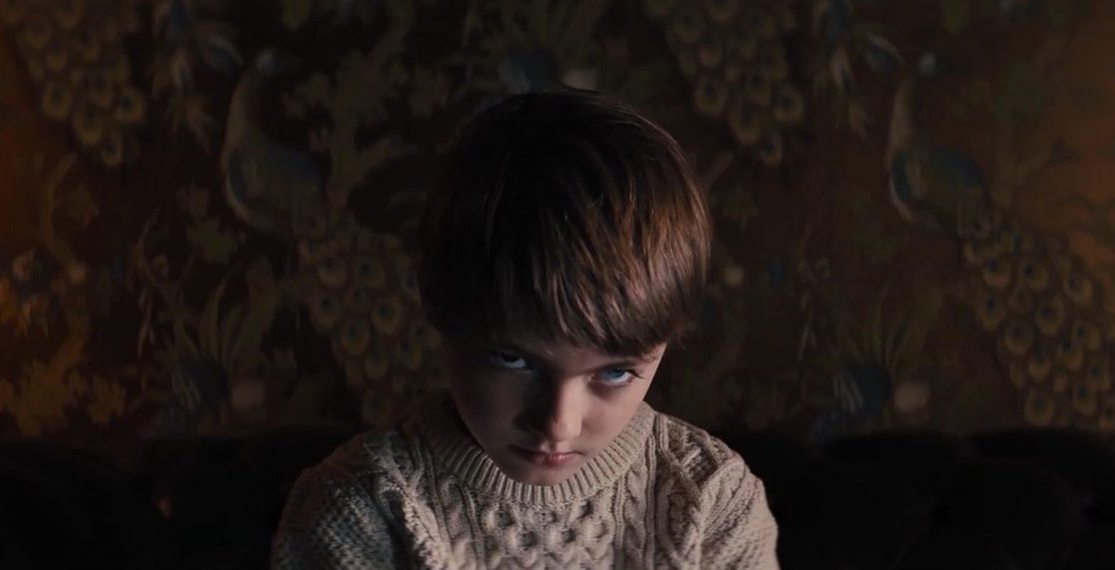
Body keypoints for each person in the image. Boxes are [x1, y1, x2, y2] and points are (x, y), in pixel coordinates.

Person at [271, 87, 779, 569]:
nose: (558, 425)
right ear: (435, 302)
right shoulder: (360, 508)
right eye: (512, 360)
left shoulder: (714, 500)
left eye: (615, 373)